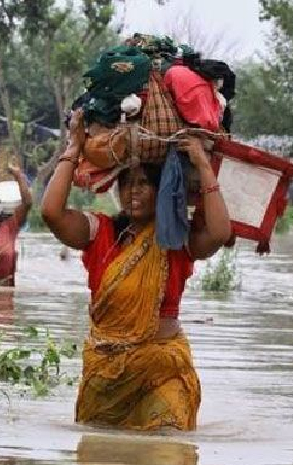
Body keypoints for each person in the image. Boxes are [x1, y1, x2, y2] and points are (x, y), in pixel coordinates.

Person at [40, 109, 232, 431]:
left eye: (144, 183)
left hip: (162, 368)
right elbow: (50, 213)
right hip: (106, 371)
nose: (133, 191)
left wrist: (201, 164)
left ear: (163, 189)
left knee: (167, 447)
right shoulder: (99, 233)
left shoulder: (175, 240)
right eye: (127, 183)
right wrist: (73, 149)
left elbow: (218, 233)